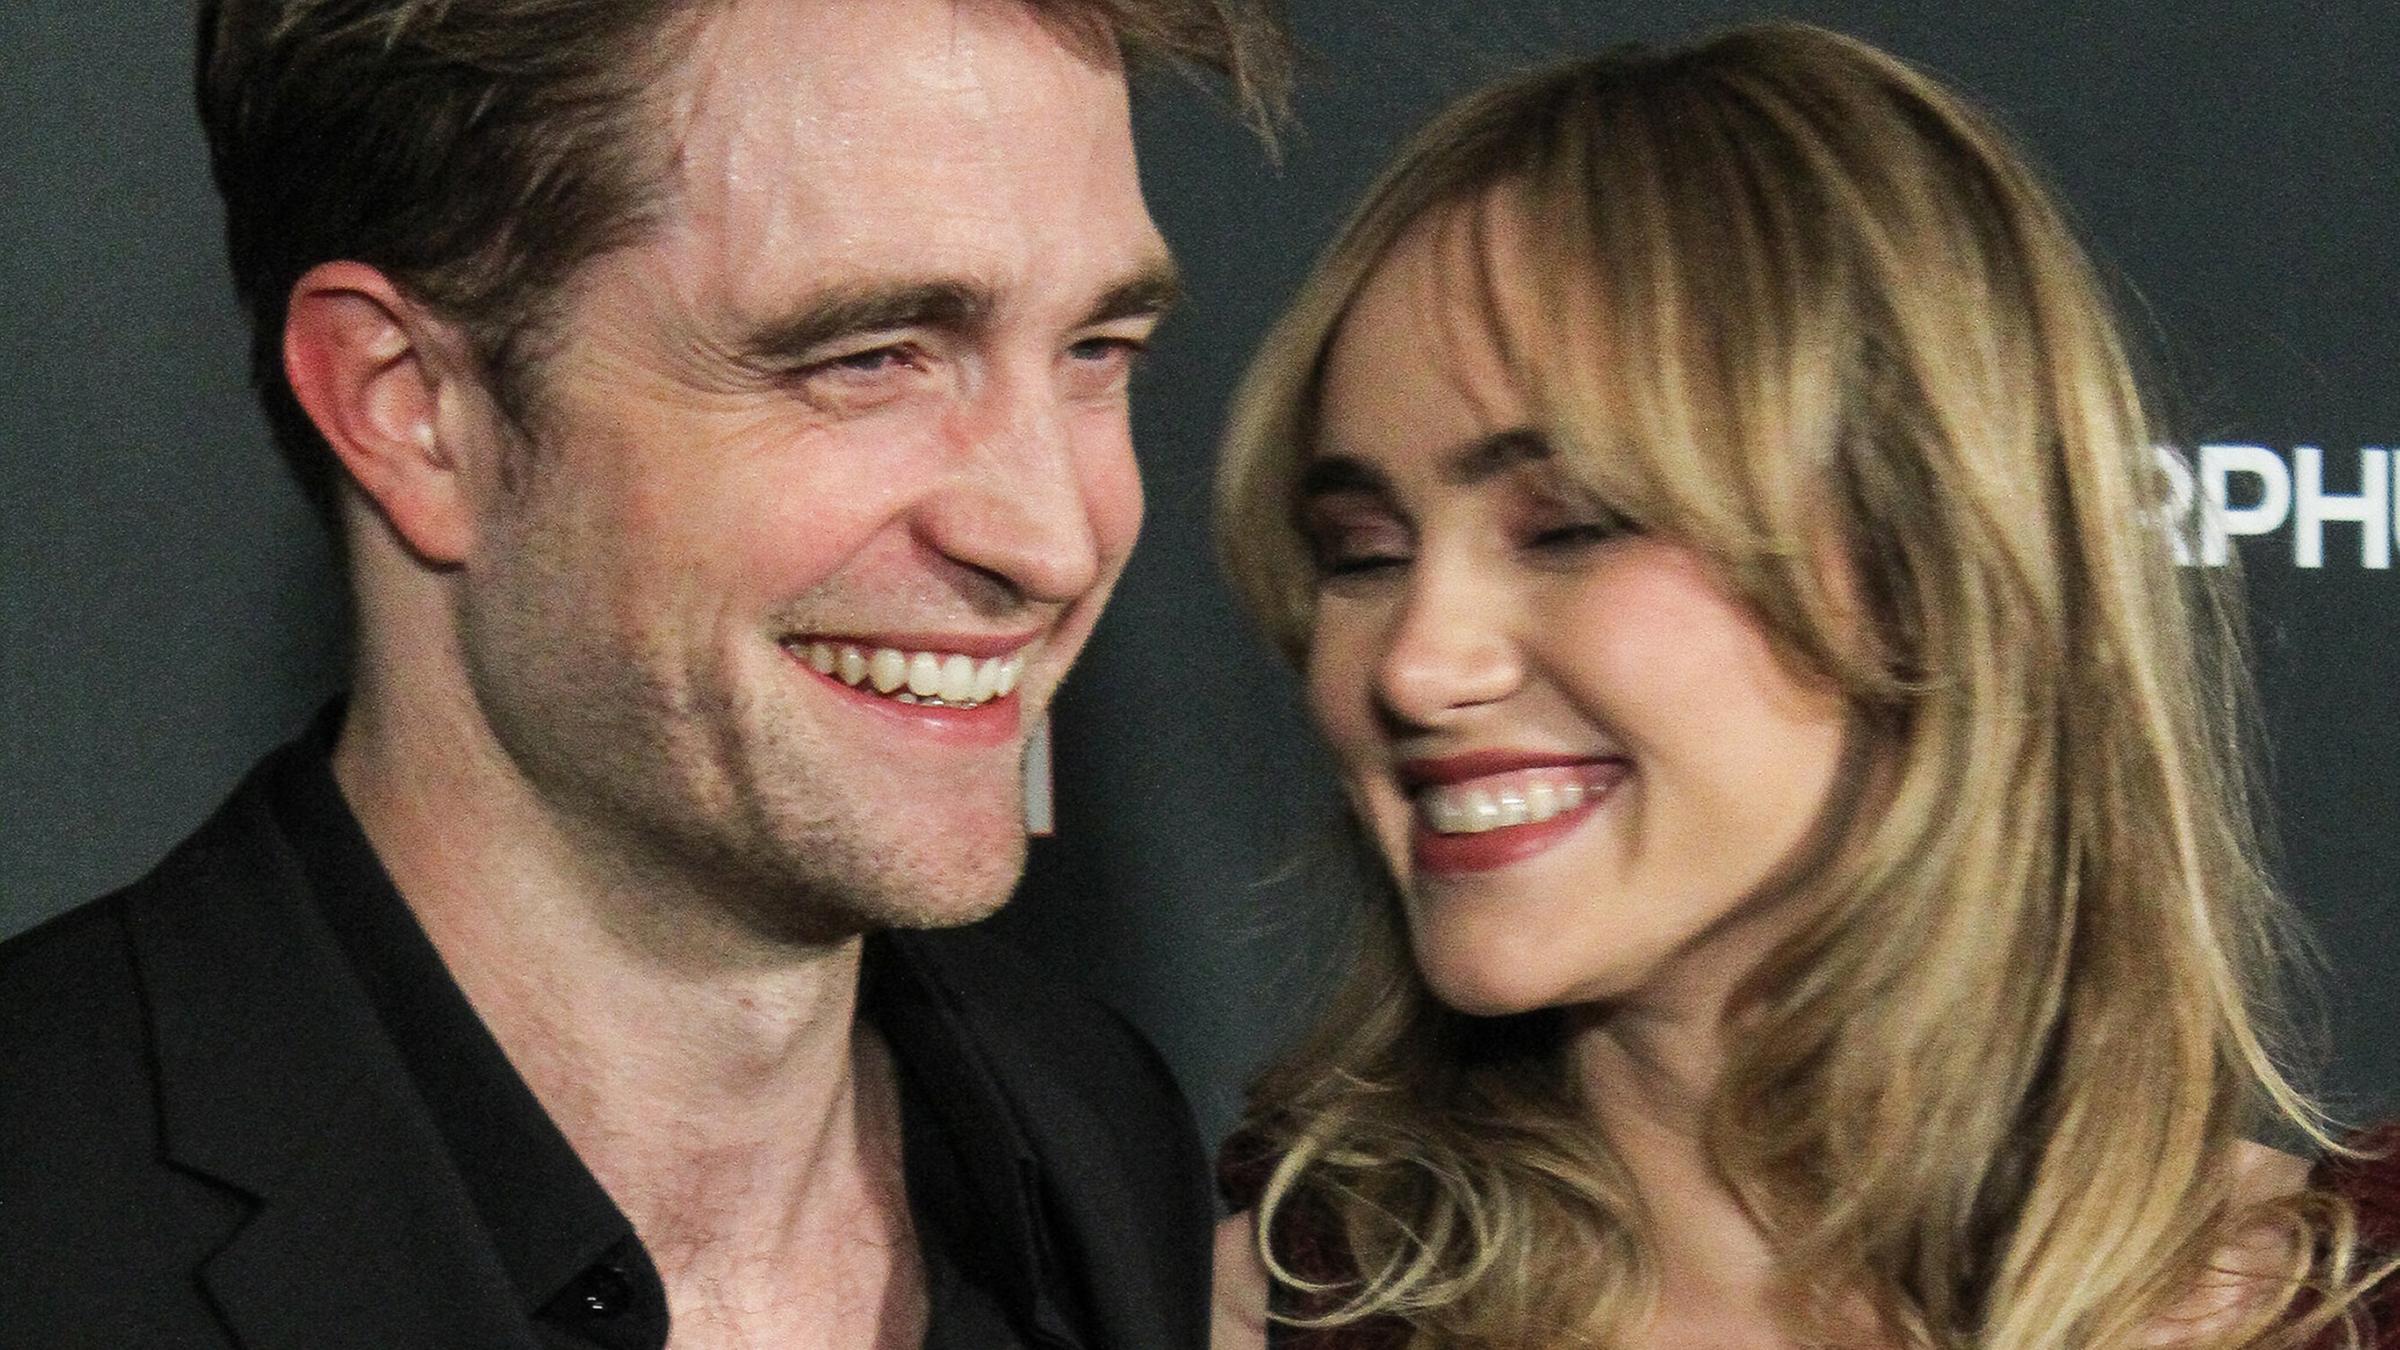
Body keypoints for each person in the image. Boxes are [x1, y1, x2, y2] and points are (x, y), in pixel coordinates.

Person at [0, 1, 1287, 1346]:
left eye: (1096, 352)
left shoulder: (1095, 1144)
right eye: (868, 360)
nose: (1054, 539)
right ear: (412, 405)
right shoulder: (43, 1226)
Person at [1209, 23, 2395, 1350]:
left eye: (1569, 527)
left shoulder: (2344, 1307)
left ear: (1927, 565)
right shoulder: (1236, 1313)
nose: (1417, 665)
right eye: (1362, 554)